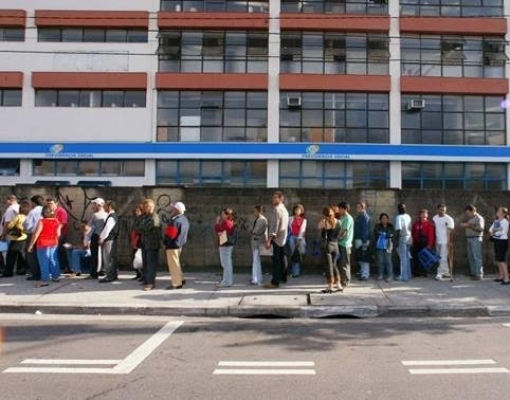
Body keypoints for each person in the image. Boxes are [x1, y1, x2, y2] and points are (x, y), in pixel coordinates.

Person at [27, 205, 61, 288]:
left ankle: (45, 280)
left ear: (43, 213)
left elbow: (36, 234)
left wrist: (30, 245)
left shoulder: (42, 221)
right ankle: (55, 276)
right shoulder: (56, 221)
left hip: (43, 243)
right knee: (53, 259)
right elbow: (58, 234)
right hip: (53, 242)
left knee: (43, 262)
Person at [134, 198, 162, 291]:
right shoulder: (143, 216)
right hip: (144, 243)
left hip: (152, 244)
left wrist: (141, 227)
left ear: (153, 207)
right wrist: (141, 227)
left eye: (149, 206)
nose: (148, 208)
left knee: (151, 264)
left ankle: (151, 283)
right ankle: (146, 280)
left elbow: (148, 227)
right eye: (146, 206)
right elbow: (136, 227)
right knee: (145, 264)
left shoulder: (155, 216)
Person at [264, 191, 289, 289]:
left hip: (277, 239)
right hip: (283, 238)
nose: (273, 199)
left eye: (275, 197)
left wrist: (269, 240)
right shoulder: (285, 210)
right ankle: (283, 277)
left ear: (280, 199)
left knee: (276, 261)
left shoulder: (277, 210)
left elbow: (274, 227)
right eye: (273, 197)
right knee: (282, 259)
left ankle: (275, 282)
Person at [163, 201, 190, 290]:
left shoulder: (174, 221)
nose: (172, 209)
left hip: (172, 245)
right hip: (179, 244)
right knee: (176, 263)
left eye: (174, 208)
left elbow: (170, 235)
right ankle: (181, 279)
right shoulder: (184, 219)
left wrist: (165, 242)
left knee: (173, 265)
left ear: (177, 210)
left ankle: (176, 283)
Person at [317, 206, 342, 293]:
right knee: (334, 265)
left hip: (327, 246)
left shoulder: (325, 221)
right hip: (336, 246)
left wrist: (324, 218)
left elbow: (318, 227)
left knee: (328, 266)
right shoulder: (339, 221)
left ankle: (330, 285)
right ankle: (339, 284)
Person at [4, 199, 30, 277]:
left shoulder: (18, 216)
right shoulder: (28, 216)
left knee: (11, 256)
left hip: (16, 238)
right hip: (25, 238)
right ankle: (21, 270)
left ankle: (8, 272)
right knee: (21, 255)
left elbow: (10, 225)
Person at [460, 204, 485, 280]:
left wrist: (469, 226)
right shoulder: (472, 218)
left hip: (476, 238)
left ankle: (479, 274)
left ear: (473, 211)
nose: (468, 214)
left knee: (477, 257)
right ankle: (473, 273)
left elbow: (481, 229)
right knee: (471, 257)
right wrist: (467, 225)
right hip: (469, 238)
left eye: (468, 213)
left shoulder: (479, 218)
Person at [85, 198, 108, 279]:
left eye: (94, 204)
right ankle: (103, 270)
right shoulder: (107, 215)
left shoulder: (95, 215)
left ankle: (93, 273)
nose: (92, 206)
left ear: (99, 205)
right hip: (104, 237)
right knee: (103, 255)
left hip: (96, 236)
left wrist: (86, 240)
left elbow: (89, 228)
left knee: (94, 255)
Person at [45, 197, 69, 273]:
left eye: (51, 203)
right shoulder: (48, 211)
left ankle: (64, 267)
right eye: (48, 204)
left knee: (60, 251)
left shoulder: (61, 211)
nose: (49, 205)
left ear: (56, 203)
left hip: (60, 234)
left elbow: (63, 223)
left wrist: (57, 230)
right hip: (50, 235)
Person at [432, 204, 455, 281]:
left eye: (444, 210)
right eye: (441, 210)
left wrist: (449, 241)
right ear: (438, 209)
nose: (443, 211)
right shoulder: (434, 218)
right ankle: (446, 272)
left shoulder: (449, 219)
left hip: (445, 241)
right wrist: (434, 240)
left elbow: (451, 231)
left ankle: (439, 273)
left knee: (443, 257)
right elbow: (434, 230)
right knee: (439, 257)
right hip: (437, 241)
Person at [215, 207, 237, 287]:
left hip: (225, 244)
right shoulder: (230, 221)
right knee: (226, 263)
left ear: (227, 215)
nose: (221, 216)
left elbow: (218, 229)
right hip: (226, 244)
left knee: (226, 263)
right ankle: (227, 280)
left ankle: (226, 281)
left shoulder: (227, 222)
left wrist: (217, 223)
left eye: (223, 214)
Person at [24, 195, 44, 281]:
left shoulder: (33, 212)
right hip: (44, 235)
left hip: (33, 234)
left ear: (33, 202)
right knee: (42, 255)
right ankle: (44, 273)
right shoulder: (45, 210)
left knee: (31, 255)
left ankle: (36, 274)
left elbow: (28, 225)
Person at [99, 200, 119, 283]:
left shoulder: (111, 217)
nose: (104, 207)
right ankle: (113, 275)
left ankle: (109, 276)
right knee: (112, 258)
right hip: (112, 239)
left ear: (109, 206)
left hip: (109, 240)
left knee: (108, 259)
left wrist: (101, 238)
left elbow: (107, 229)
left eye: (105, 206)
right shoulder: (113, 216)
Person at [411, 209, 435, 277]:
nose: (424, 215)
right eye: (422, 214)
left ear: (427, 215)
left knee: (424, 258)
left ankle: (424, 273)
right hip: (416, 243)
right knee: (416, 258)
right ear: (419, 215)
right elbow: (413, 233)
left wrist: (429, 245)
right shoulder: (416, 223)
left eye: (425, 214)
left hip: (425, 243)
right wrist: (413, 242)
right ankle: (416, 273)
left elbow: (431, 235)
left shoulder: (429, 224)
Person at [0, 195, 20, 276]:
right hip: (16, 233)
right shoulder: (19, 207)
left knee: (5, 253)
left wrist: (3, 234)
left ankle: (7, 270)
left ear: (10, 200)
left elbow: (7, 222)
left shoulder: (10, 209)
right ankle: (17, 269)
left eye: (6, 200)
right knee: (16, 252)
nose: (5, 202)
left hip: (8, 234)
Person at [489, 207, 509, 285]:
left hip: (502, 242)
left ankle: (506, 278)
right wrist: (496, 230)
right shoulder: (496, 221)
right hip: (497, 241)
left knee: (502, 260)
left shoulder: (505, 221)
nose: (497, 212)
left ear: (503, 213)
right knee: (498, 259)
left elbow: (503, 232)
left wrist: (495, 230)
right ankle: (501, 276)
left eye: (499, 211)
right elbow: (490, 230)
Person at [336, 201, 354, 289]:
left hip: (345, 244)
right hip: (341, 243)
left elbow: (344, 231)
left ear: (345, 209)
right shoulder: (342, 217)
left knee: (345, 264)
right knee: (341, 264)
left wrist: (337, 239)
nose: (339, 210)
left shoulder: (347, 218)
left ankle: (345, 281)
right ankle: (342, 280)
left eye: (340, 209)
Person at [287, 204, 307, 278]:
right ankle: (295, 272)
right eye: (296, 210)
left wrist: (299, 239)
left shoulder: (304, 220)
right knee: (293, 254)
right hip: (292, 237)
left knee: (301, 253)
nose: (297, 211)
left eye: (298, 210)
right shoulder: (290, 218)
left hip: (300, 238)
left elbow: (303, 230)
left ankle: (296, 271)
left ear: (301, 211)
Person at [374, 213, 395, 282]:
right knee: (380, 261)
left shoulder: (391, 226)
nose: (384, 219)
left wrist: (384, 234)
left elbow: (392, 234)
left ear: (388, 219)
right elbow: (376, 233)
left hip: (388, 245)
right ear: (380, 220)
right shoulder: (377, 226)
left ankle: (390, 275)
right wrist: (385, 234)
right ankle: (380, 274)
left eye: (386, 218)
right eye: (383, 218)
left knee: (388, 261)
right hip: (380, 246)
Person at [250, 205, 268, 286]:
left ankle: (256, 279)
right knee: (256, 261)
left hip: (257, 242)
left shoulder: (261, 220)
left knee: (255, 261)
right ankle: (256, 277)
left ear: (259, 211)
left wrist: (251, 231)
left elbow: (255, 231)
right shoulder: (258, 219)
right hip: (256, 242)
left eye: (255, 211)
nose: (254, 213)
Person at [353, 202, 371, 281]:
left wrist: (364, 242)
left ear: (363, 208)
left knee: (364, 258)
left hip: (362, 240)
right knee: (360, 257)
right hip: (359, 239)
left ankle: (365, 274)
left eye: (358, 207)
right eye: (357, 207)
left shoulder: (364, 217)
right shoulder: (360, 216)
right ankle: (362, 272)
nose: (357, 209)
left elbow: (365, 230)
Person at [394, 203, 412, 281]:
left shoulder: (399, 217)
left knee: (403, 257)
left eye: (402, 207)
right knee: (407, 256)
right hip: (409, 237)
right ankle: (408, 274)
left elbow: (398, 229)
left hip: (402, 238)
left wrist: (396, 240)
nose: (402, 209)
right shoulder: (408, 216)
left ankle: (403, 276)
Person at [130, 204, 144, 281]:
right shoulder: (136, 219)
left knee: (139, 259)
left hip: (138, 241)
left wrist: (135, 241)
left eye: (138, 211)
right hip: (134, 240)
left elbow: (139, 232)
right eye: (136, 211)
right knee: (135, 258)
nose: (136, 212)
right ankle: (138, 273)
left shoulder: (141, 220)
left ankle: (142, 274)